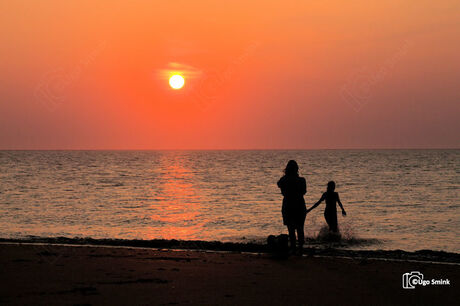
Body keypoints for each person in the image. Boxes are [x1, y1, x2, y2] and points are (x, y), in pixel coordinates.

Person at [277, 160, 307, 253]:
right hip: (299, 205)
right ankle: (300, 248)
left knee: (291, 228)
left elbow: (279, 185)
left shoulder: (284, 180)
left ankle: (293, 248)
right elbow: (304, 192)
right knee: (300, 228)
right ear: (297, 169)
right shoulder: (302, 180)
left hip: (288, 205)